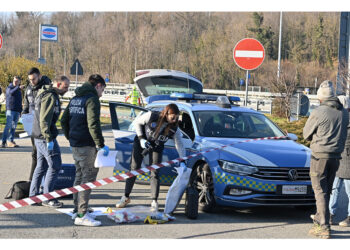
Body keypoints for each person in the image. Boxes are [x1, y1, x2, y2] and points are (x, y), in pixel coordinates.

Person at [115, 103, 187, 212]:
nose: (174, 119)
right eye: (173, 117)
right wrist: (141, 139)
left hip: (157, 147)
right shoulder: (152, 116)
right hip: (141, 142)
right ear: (167, 113)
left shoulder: (174, 127)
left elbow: (180, 144)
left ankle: (154, 201)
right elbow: (137, 123)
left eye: (177, 117)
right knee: (134, 169)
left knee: (155, 171)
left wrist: (182, 160)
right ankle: (125, 197)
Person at [61, 74, 109, 227]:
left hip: (76, 144)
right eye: (103, 90)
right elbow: (93, 124)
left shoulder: (76, 98)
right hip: (87, 145)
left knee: (79, 176)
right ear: (98, 86)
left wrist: (70, 138)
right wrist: (100, 144)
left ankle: (77, 209)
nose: (102, 94)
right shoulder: (91, 99)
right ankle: (82, 214)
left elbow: (64, 120)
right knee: (87, 179)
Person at [303, 80, 349, 239]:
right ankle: (320, 219)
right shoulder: (344, 112)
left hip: (319, 156)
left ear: (321, 98)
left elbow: (306, 134)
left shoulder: (318, 111)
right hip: (336, 157)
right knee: (327, 190)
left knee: (319, 190)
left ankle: (323, 226)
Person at [29, 76, 70, 208]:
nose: (67, 90)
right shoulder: (49, 96)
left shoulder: (45, 93)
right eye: (65, 87)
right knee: (55, 165)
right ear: (58, 84)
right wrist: (48, 138)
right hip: (44, 137)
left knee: (41, 166)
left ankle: (33, 196)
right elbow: (44, 120)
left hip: (38, 136)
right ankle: (48, 197)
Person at [23, 67, 52, 181]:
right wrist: (24, 115)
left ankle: (40, 181)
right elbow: (26, 104)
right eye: (30, 79)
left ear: (39, 76)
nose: (32, 82)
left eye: (34, 79)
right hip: (32, 125)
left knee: (45, 156)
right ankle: (34, 181)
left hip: (42, 126)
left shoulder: (46, 88)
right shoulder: (29, 88)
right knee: (35, 154)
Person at [328, 95, 350, 227]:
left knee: (348, 190)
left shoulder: (344, 118)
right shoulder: (338, 118)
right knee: (334, 188)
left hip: (347, 160)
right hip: (337, 158)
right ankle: (329, 213)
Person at [1, 76, 24, 148]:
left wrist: (20, 111)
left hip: (17, 111)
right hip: (10, 110)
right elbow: (11, 93)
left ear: (19, 82)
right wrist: (18, 88)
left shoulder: (19, 90)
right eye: (14, 81)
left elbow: (19, 101)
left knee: (14, 127)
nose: (15, 82)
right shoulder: (9, 87)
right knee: (8, 126)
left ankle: (11, 141)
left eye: (17, 81)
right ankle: (3, 142)